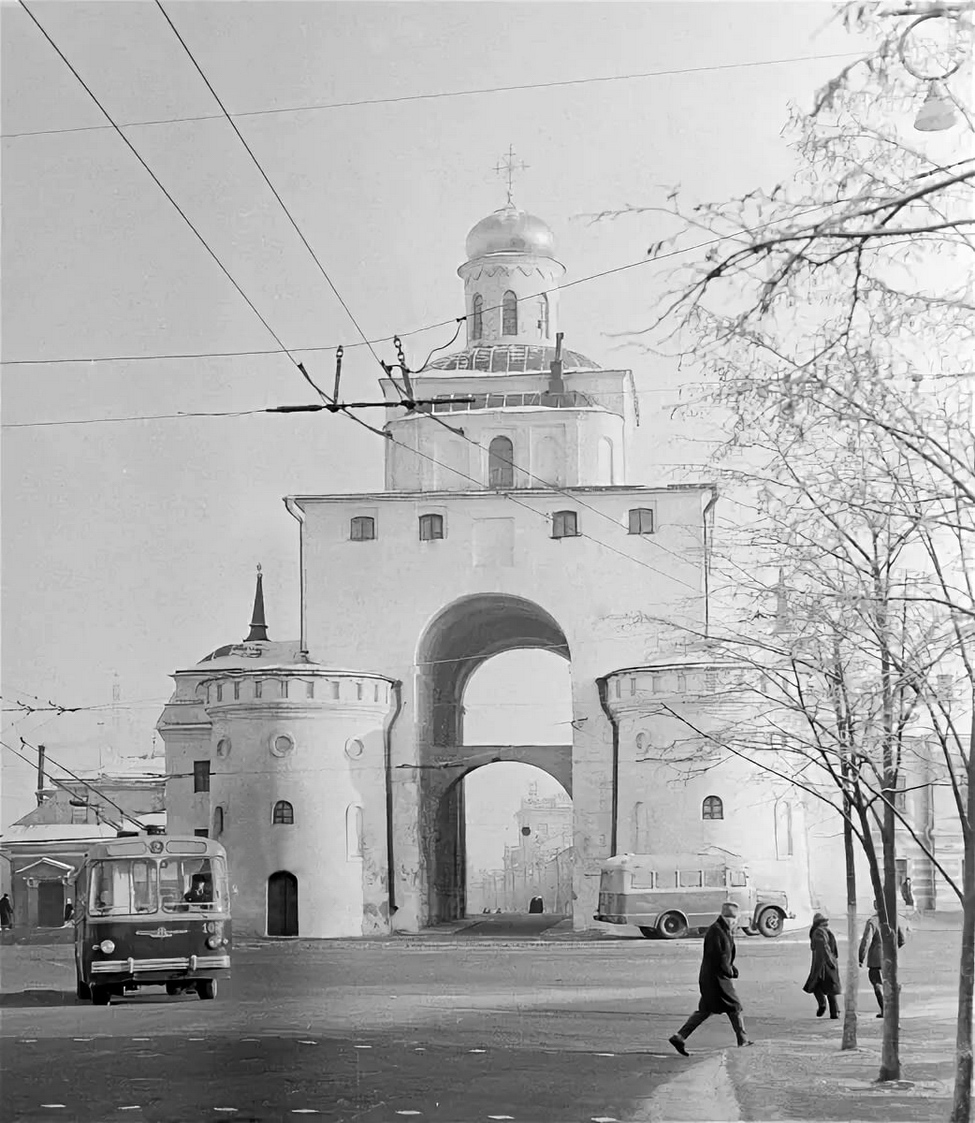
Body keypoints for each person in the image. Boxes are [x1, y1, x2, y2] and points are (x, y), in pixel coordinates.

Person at [669, 901, 754, 1056]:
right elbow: (720, 958)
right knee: (735, 1006)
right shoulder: (717, 931)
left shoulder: (722, 930)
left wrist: (732, 968)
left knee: (706, 1010)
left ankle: (679, 1037)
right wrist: (730, 971)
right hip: (717, 980)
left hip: (713, 978)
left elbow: (725, 956)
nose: (736, 923)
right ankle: (743, 1040)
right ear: (729, 918)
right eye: (735, 919)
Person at [858, 900, 906, 1017]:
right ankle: (893, 999)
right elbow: (902, 939)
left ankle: (885, 1009)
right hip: (891, 957)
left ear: (875, 906)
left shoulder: (872, 922)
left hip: (876, 958)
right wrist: (894, 948)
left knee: (877, 983)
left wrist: (861, 956)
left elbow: (866, 940)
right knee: (890, 981)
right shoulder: (893, 920)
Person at [802, 912, 841, 1019]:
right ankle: (833, 1011)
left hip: (823, 964)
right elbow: (829, 948)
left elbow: (825, 948)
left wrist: (829, 961)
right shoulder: (823, 931)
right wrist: (832, 961)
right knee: (828, 987)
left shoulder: (819, 932)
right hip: (827, 963)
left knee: (817, 985)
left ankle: (825, 1006)